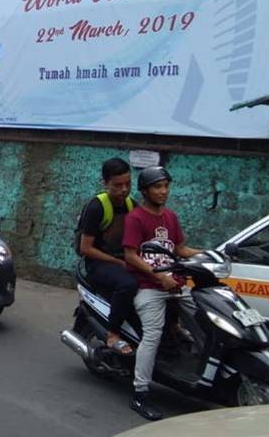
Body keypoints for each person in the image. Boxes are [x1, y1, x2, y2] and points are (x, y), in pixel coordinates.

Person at [122, 166, 200, 421]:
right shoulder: (135, 218)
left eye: (166, 186)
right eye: (158, 187)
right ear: (145, 191)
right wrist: (158, 276)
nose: (163, 191)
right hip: (149, 287)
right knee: (152, 334)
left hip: (175, 284)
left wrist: (209, 255)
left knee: (203, 315)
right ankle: (140, 392)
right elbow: (130, 255)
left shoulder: (170, 217)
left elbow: (181, 248)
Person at [76, 157, 137, 354]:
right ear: (105, 183)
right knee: (127, 284)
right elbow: (86, 248)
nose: (124, 190)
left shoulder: (131, 205)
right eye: (117, 185)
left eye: (128, 184)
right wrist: (118, 261)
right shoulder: (97, 207)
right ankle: (113, 333)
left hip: (123, 259)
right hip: (98, 264)